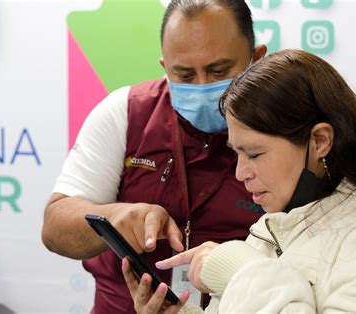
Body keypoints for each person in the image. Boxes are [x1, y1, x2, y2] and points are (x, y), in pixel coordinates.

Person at [41, 0, 267, 312]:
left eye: (218, 70)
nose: (202, 87)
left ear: (257, 59)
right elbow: (55, 228)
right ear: (165, 67)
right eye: (184, 76)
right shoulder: (126, 112)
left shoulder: (286, 130)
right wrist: (117, 218)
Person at [122, 49, 356, 313]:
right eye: (237, 152)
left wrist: (241, 267)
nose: (241, 173)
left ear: (320, 141)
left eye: (255, 154)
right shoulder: (270, 228)